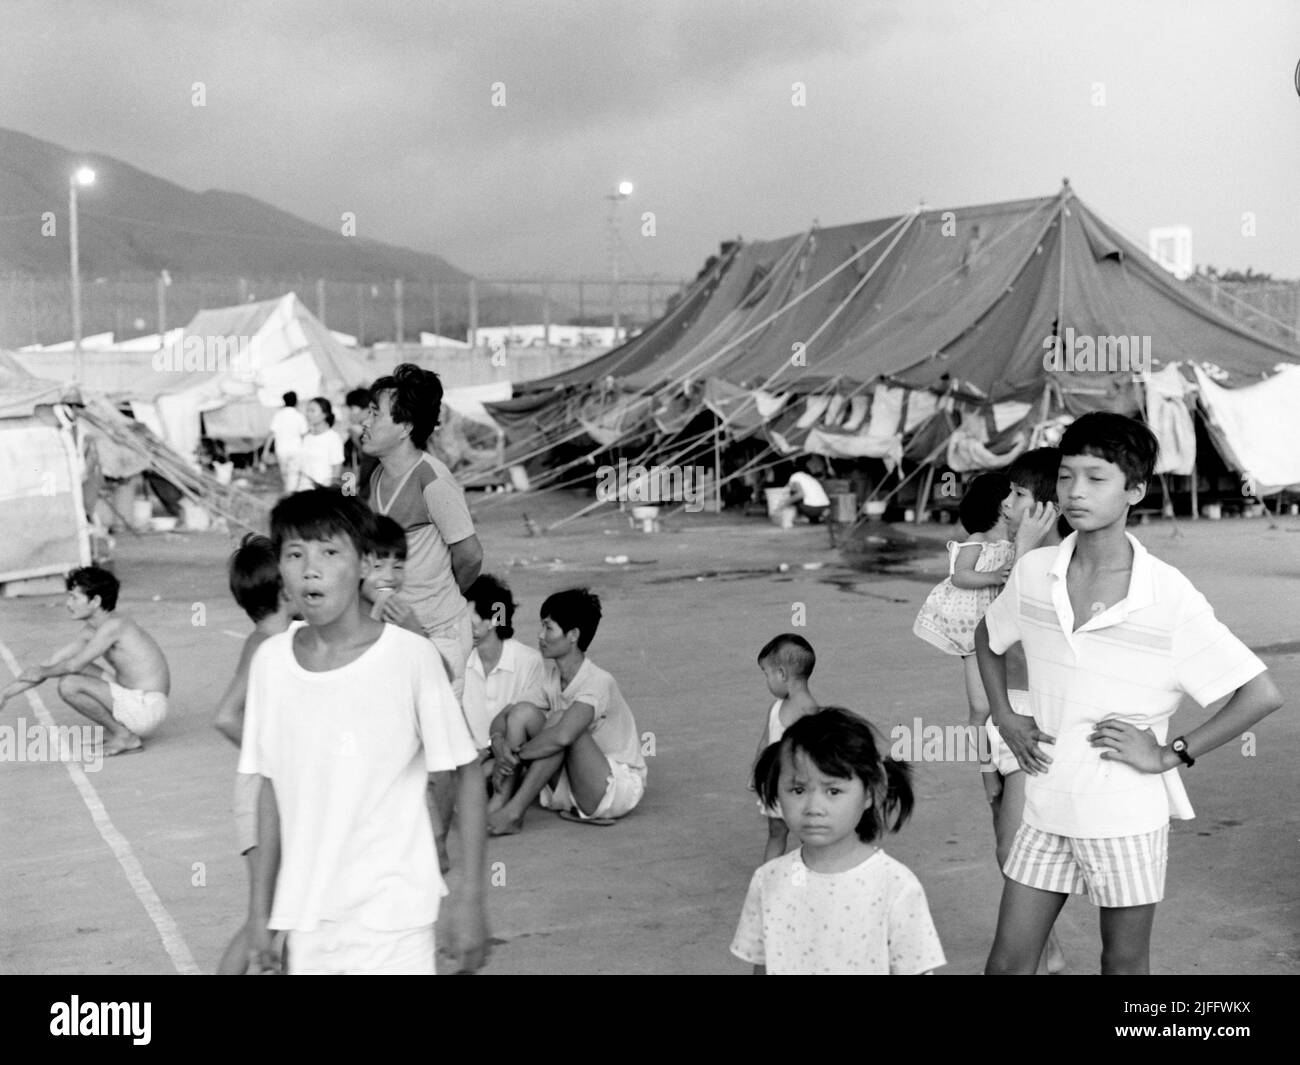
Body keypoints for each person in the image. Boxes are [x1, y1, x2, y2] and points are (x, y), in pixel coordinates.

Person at [976, 413, 1284, 975]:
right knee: (1008, 963)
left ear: (1134, 491)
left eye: (1096, 478)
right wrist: (1005, 716)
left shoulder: (1166, 594)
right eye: (1067, 476)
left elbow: (1260, 692)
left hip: (1123, 815)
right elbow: (988, 636)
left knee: (1121, 964)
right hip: (1046, 805)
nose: (1074, 492)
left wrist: (1171, 752)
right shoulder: (1035, 571)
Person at [238, 489, 488, 975]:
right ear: (282, 575)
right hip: (308, 918)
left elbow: (466, 771)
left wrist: (473, 900)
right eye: (294, 554)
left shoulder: (409, 657)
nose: (310, 568)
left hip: (393, 918)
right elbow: (268, 788)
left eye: (329, 552)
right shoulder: (271, 664)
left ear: (363, 566)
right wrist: (260, 914)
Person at [361, 363, 484, 865]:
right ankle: (406, 831)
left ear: (406, 425)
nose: (364, 421)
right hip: (395, 632)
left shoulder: (433, 481)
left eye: (374, 412)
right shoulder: (374, 480)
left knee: (440, 747)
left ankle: (438, 845)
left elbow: (471, 554)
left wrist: (440, 598)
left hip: (438, 634)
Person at [731, 708, 946, 975]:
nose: (813, 807)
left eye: (833, 791)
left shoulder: (896, 887)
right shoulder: (768, 880)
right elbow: (762, 968)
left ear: (871, 792)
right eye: (798, 790)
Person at [485, 588, 646, 836]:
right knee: (521, 713)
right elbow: (504, 717)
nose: (540, 636)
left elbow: (563, 737)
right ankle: (499, 802)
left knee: (562, 723)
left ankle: (514, 813)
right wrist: (498, 744)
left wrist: (512, 758)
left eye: (548, 628)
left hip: (613, 787)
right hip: (574, 782)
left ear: (573, 635)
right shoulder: (551, 677)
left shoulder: (598, 681)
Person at [211, 534, 294, 975]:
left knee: (289, 908)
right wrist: (275, 761)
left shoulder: (280, 639)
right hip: (263, 792)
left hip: (276, 791)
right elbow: (225, 715)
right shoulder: (267, 645)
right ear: (283, 588)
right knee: (266, 912)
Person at [1, 567, 169, 756]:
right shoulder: (92, 630)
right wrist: (5, 694)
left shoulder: (115, 626)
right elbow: (53, 662)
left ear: (95, 601)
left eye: (74, 597)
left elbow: (72, 666)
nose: (68, 603)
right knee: (63, 667)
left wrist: (44, 672)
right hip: (134, 696)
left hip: (148, 707)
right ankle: (122, 731)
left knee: (69, 683)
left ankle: (125, 737)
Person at [752, 633, 820, 864]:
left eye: (766, 674)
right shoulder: (783, 707)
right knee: (794, 835)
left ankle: (781, 878)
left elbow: (813, 752)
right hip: (783, 787)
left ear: (781, 674)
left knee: (786, 835)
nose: (767, 681)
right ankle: (778, 878)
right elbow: (766, 743)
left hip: (790, 787)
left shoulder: (805, 710)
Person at [463, 574, 546, 754]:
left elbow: (530, 725)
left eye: (466, 616)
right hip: (470, 761)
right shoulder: (460, 660)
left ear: (493, 619)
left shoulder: (528, 661)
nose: (460, 622)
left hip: (512, 757)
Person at [263, 392, 308, 494]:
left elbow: (271, 434)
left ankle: (289, 495)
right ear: (296, 402)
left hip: (281, 450)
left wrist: (265, 450)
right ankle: (291, 496)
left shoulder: (278, 415)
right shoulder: (299, 416)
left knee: (285, 475)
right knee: (294, 475)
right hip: (297, 450)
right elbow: (304, 435)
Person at [295, 397, 344, 491]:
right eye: (307, 410)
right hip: (303, 491)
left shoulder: (333, 438)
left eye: (312, 411)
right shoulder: (307, 437)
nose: (308, 414)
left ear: (325, 414)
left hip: (322, 493)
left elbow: (337, 470)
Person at [343, 387, 379, 501]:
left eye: (353, 408)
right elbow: (348, 465)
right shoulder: (353, 433)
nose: (349, 413)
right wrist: (347, 493)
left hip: (369, 493)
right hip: (355, 491)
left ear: (366, 409)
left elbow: (369, 458)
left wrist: (357, 438)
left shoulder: (374, 433)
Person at [784, 458, 831, 523]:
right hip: (826, 505)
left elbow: (800, 494)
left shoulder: (795, 476)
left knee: (794, 495)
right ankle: (817, 518)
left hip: (813, 509)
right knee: (804, 496)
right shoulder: (808, 477)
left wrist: (785, 503)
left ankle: (795, 518)